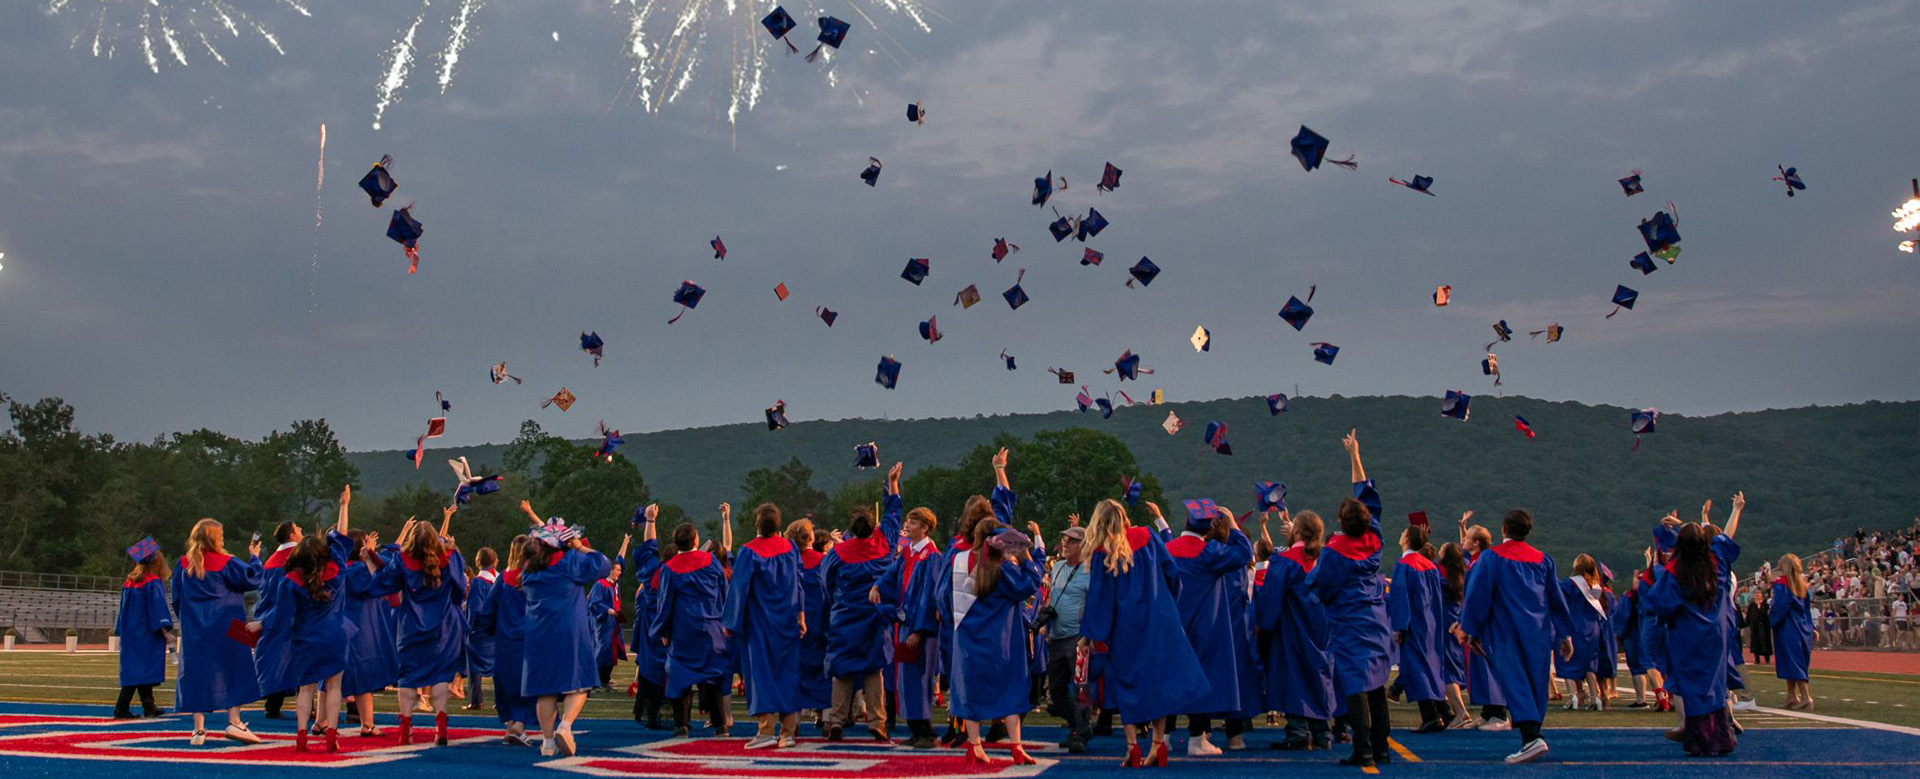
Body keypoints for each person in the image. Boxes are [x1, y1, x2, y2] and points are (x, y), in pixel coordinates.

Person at [1080, 498, 1210, 768]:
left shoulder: (1102, 552)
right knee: (1158, 682)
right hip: (1160, 619)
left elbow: (1099, 600)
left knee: (1127, 684)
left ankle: (1132, 748)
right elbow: (1172, 573)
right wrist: (1167, 605)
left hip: (1125, 628)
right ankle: (1158, 745)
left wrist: (1089, 634)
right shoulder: (1147, 536)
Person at [1458, 508, 1576, 764]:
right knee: (1535, 682)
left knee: (1515, 681)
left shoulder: (1491, 558)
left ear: (1503, 530)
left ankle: (1532, 738)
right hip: (1538, 632)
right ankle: (1532, 735)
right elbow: (1556, 599)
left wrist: (1470, 629)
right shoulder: (1543, 560)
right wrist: (1565, 635)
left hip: (1505, 631)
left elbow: (1478, 595)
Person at [1307, 430, 1394, 768]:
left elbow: (1322, 587)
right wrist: (1355, 455)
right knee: (1377, 686)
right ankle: (1382, 748)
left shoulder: (1335, 552)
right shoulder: (1375, 539)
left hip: (1349, 622)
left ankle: (1363, 748)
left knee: (1356, 687)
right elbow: (1366, 496)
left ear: (1341, 523)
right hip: (1376, 620)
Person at [921, 448, 1017, 747]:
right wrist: (999, 468)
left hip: (961, 620)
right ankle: (997, 722)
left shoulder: (957, 547)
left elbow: (942, 587)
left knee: (960, 671)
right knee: (994, 668)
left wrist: (940, 608)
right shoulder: (997, 542)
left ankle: (960, 723)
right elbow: (1004, 502)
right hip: (994, 619)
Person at [252, 486, 356, 752]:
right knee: (334, 688)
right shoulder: (337, 571)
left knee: (306, 689)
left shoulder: (292, 581)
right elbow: (342, 537)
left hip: (306, 637)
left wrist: (260, 623)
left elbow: (281, 613)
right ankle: (331, 736)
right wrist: (344, 506)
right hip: (335, 635)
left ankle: (301, 737)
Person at [519, 512, 615, 757]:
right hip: (569, 630)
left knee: (545, 690)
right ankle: (566, 725)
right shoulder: (570, 561)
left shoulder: (529, 570)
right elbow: (603, 564)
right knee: (579, 683)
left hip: (539, 634)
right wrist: (579, 545)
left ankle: (548, 743)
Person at [1164, 499, 1254, 755]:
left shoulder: (1167, 549)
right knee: (1201, 679)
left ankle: (1165, 737)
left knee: (1171, 679)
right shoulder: (1210, 552)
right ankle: (1196, 739)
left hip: (1173, 624)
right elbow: (1245, 554)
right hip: (1204, 625)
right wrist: (1233, 525)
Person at [375, 505, 469, 746]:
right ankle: (441, 726)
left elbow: (385, 585)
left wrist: (370, 563)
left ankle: (405, 727)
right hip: (444, 627)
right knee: (439, 677)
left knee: (408, 676)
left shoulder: (402, 560)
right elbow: (459, 590)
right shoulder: (450, 558)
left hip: (410, 626)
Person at [951, 519, 1043, 766]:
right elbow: (1029, 586)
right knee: (1011, 688)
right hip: (1002, 637)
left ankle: (975, 745)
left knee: (972, 690)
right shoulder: (1003, 568)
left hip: (968, 638)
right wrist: (1025, 557)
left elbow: (942, 596)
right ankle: (1016, 745)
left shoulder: (959, 561)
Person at [1644, 522, 1737, 756]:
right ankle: (1723, 738)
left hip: (1687, 635)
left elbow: (1661, 604)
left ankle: (1701, 740)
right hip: (1716, 634)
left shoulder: (1675, 570)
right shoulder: (1717, 560)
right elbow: (1724, 537)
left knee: (1693, 688)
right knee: (1714, 685)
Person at [173, 518, 265, 745]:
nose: (223, 538)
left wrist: (190, 620)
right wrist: (254, 556)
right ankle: (234, 721)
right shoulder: (226, 562)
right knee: (233, 670)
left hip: (196, 631)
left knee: (197, 674)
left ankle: (198, 730)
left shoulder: (183, 564)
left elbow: (177, 599)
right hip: (227, 625)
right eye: (220, 534)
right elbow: (253, 578)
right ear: (213, 537)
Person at [821, 486, 902, 742]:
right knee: (874, 670)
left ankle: (836, 719)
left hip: (845, 616)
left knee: (842, 671)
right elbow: (892, 518)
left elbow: (826, 582)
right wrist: (893, 486)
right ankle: (877, 721)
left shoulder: (838, 554)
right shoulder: (884, 549)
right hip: (874, 618)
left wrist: (838, 602)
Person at [724, 501, 807, 749]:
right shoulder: (790, 548)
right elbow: (798, 583)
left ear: (757, 524)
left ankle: (766, 729)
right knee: (787, 673)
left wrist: (730, 622)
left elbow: (739, 589)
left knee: (761, 675)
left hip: (760, 623)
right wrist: (801, 616)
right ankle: (788, 733)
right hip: (787, 621)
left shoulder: (749, 551)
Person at [1255, 509, 1336, 750]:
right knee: (1318, 674)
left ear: (1297, 531)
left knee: (1293, 674)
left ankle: (1298, 730)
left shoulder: (1286, 561)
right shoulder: (1323, 560)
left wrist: (1262, 626)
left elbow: (1270, 598)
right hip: (1322, 627)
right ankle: (1323, 732)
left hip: (1293, 627)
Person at [881, 465, 944, 749]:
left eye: (913, 522)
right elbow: (891, 573)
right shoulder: (908, 552)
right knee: (906, 680)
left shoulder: (931, 557)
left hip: (920, 626)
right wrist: (876, 586)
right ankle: (916, 730)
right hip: (905, 623)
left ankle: (925, 732)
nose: (908, 526)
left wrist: (918, 628)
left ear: (925, 527)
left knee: (918, 679)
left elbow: (929, 597)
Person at [652, 512, 732, 738]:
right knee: (714, 676)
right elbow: (724, 593)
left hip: (683, 629)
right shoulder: (711, 562)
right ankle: (720, 725)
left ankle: (682, 724)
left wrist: (664, 630)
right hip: (711, 628)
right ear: (696, 540)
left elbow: (665, 602)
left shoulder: (670, 568)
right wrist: (727, 623)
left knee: (680, 677)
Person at [473, 533, 536, 746]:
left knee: (505, 682)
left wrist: (490, 630)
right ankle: (518, 725)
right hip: (529, 638)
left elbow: (487, 610)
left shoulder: (503, 578)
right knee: (528, 683)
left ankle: (510, 724)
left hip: (504, 639)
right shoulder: (534, 577)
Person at [1390, 520, 1448, 733]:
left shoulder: (1404, 566)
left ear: (1406, 539)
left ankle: (1430, 716)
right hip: (1430, 622)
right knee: (1429, 666)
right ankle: (1441, 710)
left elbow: (1401, 598)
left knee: (1416, 667)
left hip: (1413, 624)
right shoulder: (1430, 566)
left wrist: (1399, 627)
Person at [341, 528, 398, 736]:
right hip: (361, 626)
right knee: (364, 675)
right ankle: (368, 723)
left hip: (344, 625)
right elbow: (381, 580)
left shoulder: (339, 568)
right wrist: (370, 556)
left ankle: (321, 722)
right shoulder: (358, 570)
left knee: (329, 680)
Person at [1042, 522, 1092, 753]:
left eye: (1072, 540)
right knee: (1057, 690)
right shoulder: (1058, 567)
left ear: (1084, 545)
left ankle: (1080, 732)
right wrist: (1045, 619)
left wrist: (1088, 636)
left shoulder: (1090, 571)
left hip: (1078, 637)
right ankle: (1077, 726)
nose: (1065, 543)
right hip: (1057, 635)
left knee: (1080, 687)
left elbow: (1094, 605)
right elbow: (1052, 596)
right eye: (1065, 539)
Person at [114, 538, 173, 719]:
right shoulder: (152, 582)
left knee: (138, 669)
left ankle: (149, 706)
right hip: (147, 632)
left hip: (131, 633)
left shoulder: (130, 582)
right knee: (140, 671)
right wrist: (165, 631)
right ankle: (121, 708)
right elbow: (157, 607)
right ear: (156, 559)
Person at [254, 520, 304, 721]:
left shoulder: (271, 560)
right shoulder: (300, 557)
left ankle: (272, 706)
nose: (301, 531)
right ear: (292, 535)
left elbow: (265, 593)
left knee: (276, 660)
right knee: (301, 662)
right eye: (298, 529)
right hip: (296, 615)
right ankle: (307, 708)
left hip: (272, 616)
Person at [787, 519, 833, 725]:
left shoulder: (786, 561)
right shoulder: (824, 560)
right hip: (821, 620)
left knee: (795, 671)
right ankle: (827, 718)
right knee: (824, 671)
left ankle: (793, 721)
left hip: (795, 621)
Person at [628, 505, 668, 729]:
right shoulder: (679, 574)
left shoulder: (652, 576)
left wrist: (651, 521)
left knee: (647, 671)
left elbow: (648, 549)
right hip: (669, 629)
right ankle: (680, 718)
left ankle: (646, 713)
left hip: (650, 629)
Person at [1556, 554, 1608, 711]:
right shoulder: (1596, 586)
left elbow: (1558, 600)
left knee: (1567, 660)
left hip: (1575, 626)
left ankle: (1573, 697)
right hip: (1593, 628)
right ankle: (1595, 698)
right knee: (1590, 664)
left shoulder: (1570, 584)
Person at [1435, 541, 1474, 727]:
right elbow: (1465, 552)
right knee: (1451, 668)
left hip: (1443, 625)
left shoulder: (1438, 572)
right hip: (1456, 621)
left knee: (1447, 671)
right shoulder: (1462, 572)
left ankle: (1460, 712)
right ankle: (1459, 710)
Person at [1771, 554, 1816, 709]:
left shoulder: (1783, 585)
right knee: (1792, 661)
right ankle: (1791, 696)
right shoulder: (1801, 585)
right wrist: (1812, 627)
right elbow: (1806, 610)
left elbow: (1780, 607)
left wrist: (1772, 619)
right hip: (1803, 627)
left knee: (1793, 661)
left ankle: (1805, 697)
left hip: (1788, 627)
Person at [462, 546, 499, 711]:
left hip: (481, 628)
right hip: (497, 627)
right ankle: (500, 699)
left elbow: (474, 607)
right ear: (496, 561)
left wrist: (468, 627)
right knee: (499, 664)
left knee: (473, 663)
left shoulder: (478, 582)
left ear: (477, 562)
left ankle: (476, 700)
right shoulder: (500, 579)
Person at [589, 560, 624, 690]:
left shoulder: (615, 585)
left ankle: (605, 679)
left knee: (612, 651)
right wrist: (607, 610)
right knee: (603, 650)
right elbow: (594, 603)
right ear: (610, 570)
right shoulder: (600, 585)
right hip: (603, 623)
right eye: (618, 570)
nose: (620, 573)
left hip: (614, 622)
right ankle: (594, 681)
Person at [1747, 585, 1773, 666]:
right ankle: (1757, 659)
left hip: (1764, 627)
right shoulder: (1751, 606)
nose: (1758, 595)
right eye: (1756, 594)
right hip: (1755, 627)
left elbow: (1767, 615)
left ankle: (1767, 659)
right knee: (1756, 643)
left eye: (1759, 593)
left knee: (1765, 642)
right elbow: (1749, 616)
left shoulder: (1765, 605)